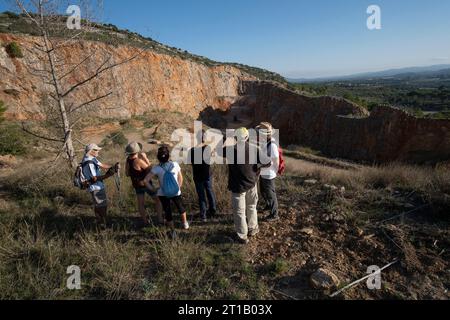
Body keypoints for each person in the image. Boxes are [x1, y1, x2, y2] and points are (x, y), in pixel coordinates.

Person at [220, 127, 270, 244]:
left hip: (238, 187)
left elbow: (218, 150)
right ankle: (253, 228)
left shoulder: (230, 150)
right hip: (251, 183)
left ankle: (242, 236)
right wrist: (256, 169)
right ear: (247, 137)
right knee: (252, 207)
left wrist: (224, 138)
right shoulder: (254, 149)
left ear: (236, 138)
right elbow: (268, 162)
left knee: (239, 212)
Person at [144, 146, 189, 238]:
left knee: (168, 211)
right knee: (180, 207)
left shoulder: (156, 168)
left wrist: (153, 189)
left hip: (163, 193)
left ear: (158, 157)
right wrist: (178, 187)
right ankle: (185, 224)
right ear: (168, 156)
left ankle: (173, 232)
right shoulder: (175, 164)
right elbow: (181, 178)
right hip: (176, 192)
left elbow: (145, 181)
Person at [125, 142, 164, 226]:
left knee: (141, 203)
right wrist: (145, 158)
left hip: (136, 184)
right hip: (146, 184)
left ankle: (145, 221)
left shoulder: (128, 159)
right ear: (137, 151)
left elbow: (127, 173)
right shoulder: (138, 161)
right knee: (158, 200)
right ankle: (160, 220)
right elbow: (151, 169)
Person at [81, 143, 119, 225]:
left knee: (98, 205)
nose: (98, 151)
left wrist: (112, 167)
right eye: (97, 150)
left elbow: (102, 165)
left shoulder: (91, 158)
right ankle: (103, 223)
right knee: (102, 205)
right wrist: (108, 175)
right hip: (96, 187)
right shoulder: (89, 162)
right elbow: (94, 178)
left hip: (96, 186)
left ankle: (99, 222)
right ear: (91, 151)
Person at [188, 130, 217, 222]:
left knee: (201, 195)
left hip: (197, 175)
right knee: (209, 192)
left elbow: (189, 162)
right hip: (207, 174)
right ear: (205, 138)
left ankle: (203, 215)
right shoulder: (208, 148)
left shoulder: (192, 150)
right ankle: (213, 211)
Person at [256, 122, 280, 222]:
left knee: (271, 194)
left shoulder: (272, 145)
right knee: (263, 191)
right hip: (264, 172)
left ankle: (274, 214)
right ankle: (268, 205)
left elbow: (275, 161)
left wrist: (274, 171)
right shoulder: (266, 142)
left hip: (269, 174)